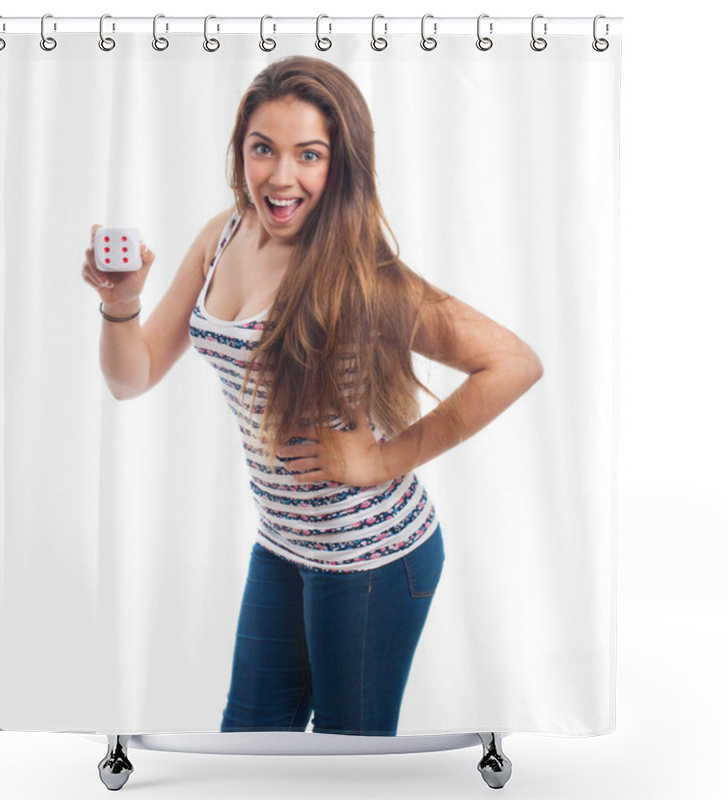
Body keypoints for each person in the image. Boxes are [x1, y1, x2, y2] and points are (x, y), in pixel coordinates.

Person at [81, 55, 543, 737]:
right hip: (285, 543)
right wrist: (121, 306)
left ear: (340, 164)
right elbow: (132, 378)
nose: (280, 176)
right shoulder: (222, 236)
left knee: (345, 759)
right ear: (241, 150)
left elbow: (513, 362)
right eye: (262, 148)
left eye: (310, 154)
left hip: (372, 559)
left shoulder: (363, 276)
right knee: (248, 739)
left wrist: (384, 461)